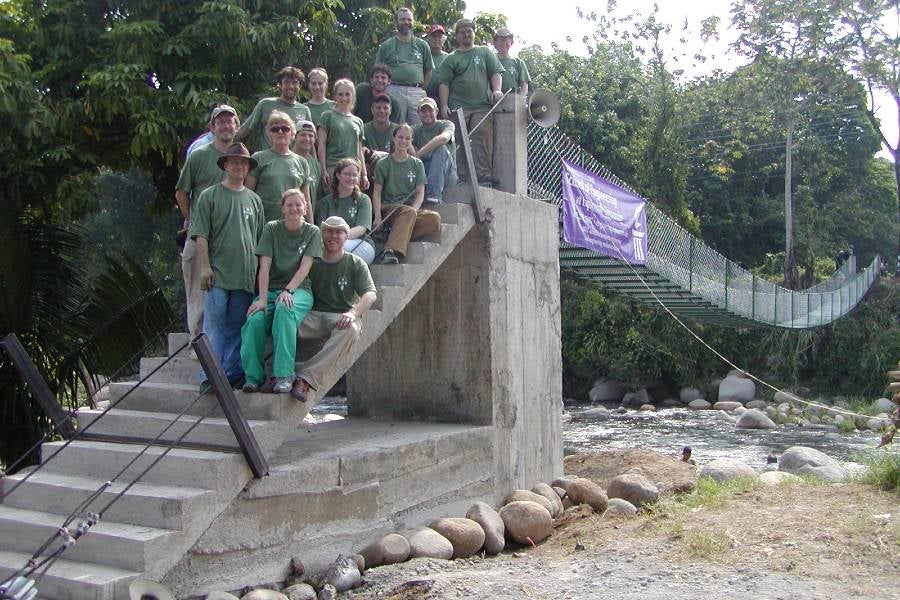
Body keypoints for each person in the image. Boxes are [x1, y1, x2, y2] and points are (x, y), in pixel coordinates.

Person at [189, 143, 265, 392]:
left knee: (236, 327)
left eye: (243, 163)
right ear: (225, 165)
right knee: (214, 325)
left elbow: (259, 240)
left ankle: (231, 373)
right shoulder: (209, 196)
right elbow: (200, 234)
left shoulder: (254, 200)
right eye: (234, 162)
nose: (239, 166)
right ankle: (209, 377)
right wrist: (204, 267)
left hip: (244, 274)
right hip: (217, 274)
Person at [240, 188, 322, 394]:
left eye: (298, 204)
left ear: (305, 207)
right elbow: (264, 267)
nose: (294, 208)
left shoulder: (312, 232)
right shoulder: (272, 229)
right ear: (282, 208)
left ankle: (284, 375)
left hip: (299, 290)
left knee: (285, 310)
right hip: (271, 289)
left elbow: (305, 267)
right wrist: (262, 298)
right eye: (290, 205)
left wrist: (288, 290)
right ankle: (252, 377)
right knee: (254, 320)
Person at [293, 216, 378, 402]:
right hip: (311, 316)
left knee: (351, 329)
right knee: (281, 319)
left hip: (340, 315)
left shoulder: (355, 262)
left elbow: (371, 294)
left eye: (339, 232)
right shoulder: (311, 261)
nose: (333, 236)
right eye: (329, 231)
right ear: (321, 234)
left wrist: (353, 313)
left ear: (346, 236)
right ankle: (276, 375)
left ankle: (306, 378)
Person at [175, 104, 239, 341]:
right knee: (197, 292)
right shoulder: (199, 155)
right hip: (200, 233)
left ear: (237, 125)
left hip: (230, 236)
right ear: (212, 127)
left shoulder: (241, 157)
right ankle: (197, 345)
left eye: (230, 121)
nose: (225, 126)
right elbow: (181, 192)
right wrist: (190, 219)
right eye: (220, 122)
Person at [436, 18, 504, 186]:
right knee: (460, 140)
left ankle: (483, 175)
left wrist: (496, 90)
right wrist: (444, 105)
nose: (466, 34)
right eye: (462, 32)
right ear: (457, 36)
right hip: (459, 107)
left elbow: (495, 72)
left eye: (469, 31)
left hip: (482, 105)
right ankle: (463, 177)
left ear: (474, 34)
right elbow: (444, 83)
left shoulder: (484, 52)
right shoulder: (451, 58)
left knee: (482, 136)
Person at [372, 123, 442, 265]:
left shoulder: (417, 164)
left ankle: (393, 235)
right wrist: (378, 217)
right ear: (394, 138)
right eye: (400, 137)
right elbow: (377, 193)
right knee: (407, 212)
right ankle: (389, 251)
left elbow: (420, 191)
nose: (403, 141)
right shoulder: (383, 163)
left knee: (434, 219)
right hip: (389, 208)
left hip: (409, 210)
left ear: (411, 141)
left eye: (407, 138)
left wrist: (414, 210)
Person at [245, 111, 311, 223]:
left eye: (285, 129)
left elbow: (307, 202)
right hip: (265, 223)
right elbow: (248, 195)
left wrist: (311, 228)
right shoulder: (258, 158)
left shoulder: (302, 162)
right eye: (275, 129)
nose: (280, 132)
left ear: (292, 132)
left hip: (295, 224)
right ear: (269, 133)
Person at [375, 7, 434, 126]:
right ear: (396, 22)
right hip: (394, 89)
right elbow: (378, 71)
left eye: (409, 20)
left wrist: (422, 89)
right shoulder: (386, 45)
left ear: (413, 22)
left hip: (417, 91)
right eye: (402, 19)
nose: (406, 22)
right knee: (395, 126)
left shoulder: (422, 45)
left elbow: (428, 69)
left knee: (418, 127)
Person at [237, 66, 311, 151]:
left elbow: (309, 140)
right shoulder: (265, 104)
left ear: (300, 86)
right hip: (266, 161)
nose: (291, 86)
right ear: (280, 85)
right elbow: (245, 130)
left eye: (295, 82)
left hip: (293, 162)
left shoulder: (304, 110)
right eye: (286, 82)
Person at [316, 158, 376, 264]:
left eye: (355, 175)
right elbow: (322, 229)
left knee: (339, 247)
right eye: (347, 174)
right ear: (338, 175)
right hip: (332, 243)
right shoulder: (326, 202)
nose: (351, 178)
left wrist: (338, 238)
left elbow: (361, 228)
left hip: (362, 244)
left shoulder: (363, 199)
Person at [317, 79, 367, 189]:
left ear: (353, 96)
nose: (344, 98)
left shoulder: (358, 121)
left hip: (353, 171)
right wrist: (323, 170)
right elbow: (321, 145)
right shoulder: (327, 116)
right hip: (333, 168)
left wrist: (364, 174)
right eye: (340, 94)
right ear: (335, 96)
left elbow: (359, 150)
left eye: (347, 94)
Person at [412, 97, 456, 203]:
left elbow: (444, 138)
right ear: (418, 113)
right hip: (426, 172)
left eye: (430, 110)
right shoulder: (415, 129)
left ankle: (434, 194)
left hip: (447, 174)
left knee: (441, 149)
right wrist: (411, 149)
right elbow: (404, 136)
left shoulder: (446, 124)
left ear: (436, 111)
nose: (427, 113)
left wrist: (419, 153)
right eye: (423, 111)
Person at [292, 120, 324, 215]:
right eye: (303, 135)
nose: (307, 139)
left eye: (311, 136)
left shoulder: (317, 165)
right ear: (294, 137)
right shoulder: (286, 160)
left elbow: (318, 198)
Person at [492, 28, 530, 96]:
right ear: (495, 43)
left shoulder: (518, 62)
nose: (504, 43)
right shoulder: (490, 60)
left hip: (512, 100)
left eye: (506, 40)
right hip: (492, 101)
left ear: (511, 42)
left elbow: (524, 86)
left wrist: (518, 100)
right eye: (501, 40)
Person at [424, 24, 448, 102]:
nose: (436, 39)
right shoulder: (423, 56)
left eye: (439, 36)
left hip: (443, 99)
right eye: (434, 36)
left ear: (444, 39)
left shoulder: (449, 58)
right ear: (428, 38)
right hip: (424, 97)